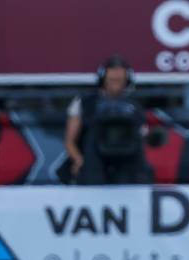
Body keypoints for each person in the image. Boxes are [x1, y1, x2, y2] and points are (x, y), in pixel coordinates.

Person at [63, 55, 153, 185]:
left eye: (119, 80)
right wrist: (79, 161)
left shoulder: (134, 107)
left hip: (126, 166)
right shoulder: (84, 102)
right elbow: (69, 141)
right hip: (93, 164)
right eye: (112, 79)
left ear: (127, 80)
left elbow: (142, 138)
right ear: (103, 78)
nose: (116, 83)